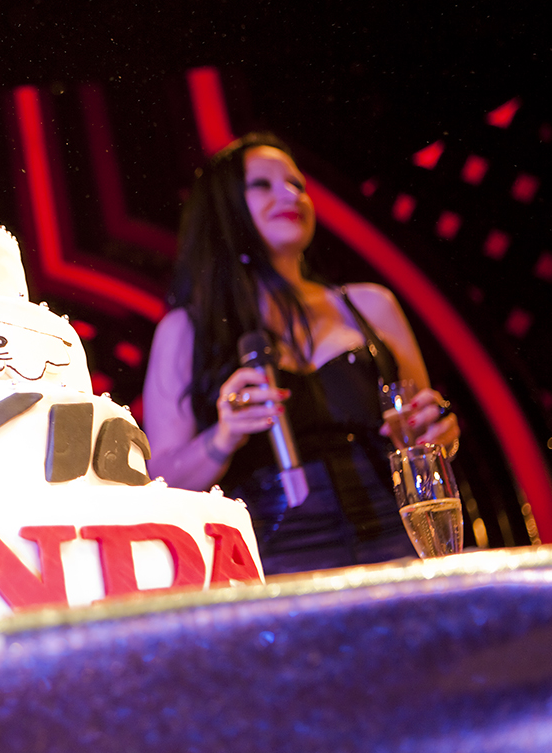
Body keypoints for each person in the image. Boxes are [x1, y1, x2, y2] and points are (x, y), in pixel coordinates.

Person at [142, 132, 460, 575]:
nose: (291, 194)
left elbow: (424, 436)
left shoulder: (371, 305)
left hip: (398, 540)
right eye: (263, 184)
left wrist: (439, 430)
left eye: (297, 184)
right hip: (274, 561)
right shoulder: (187, 329)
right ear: (223, 206)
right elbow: (161, 481)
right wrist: (224, 436)